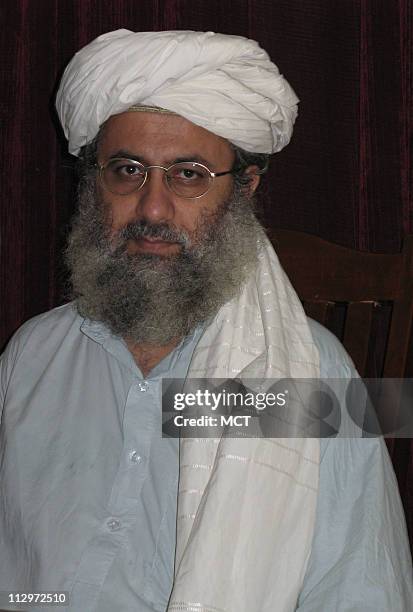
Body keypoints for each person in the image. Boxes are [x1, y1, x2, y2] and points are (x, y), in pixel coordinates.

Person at [0, 29, 411, 612]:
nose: (153, 208)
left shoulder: (306, 373)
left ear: (243, 187)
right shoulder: (31, 355)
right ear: (95, 181)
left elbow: (359, 588)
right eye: (127, 170)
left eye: (189, 173)